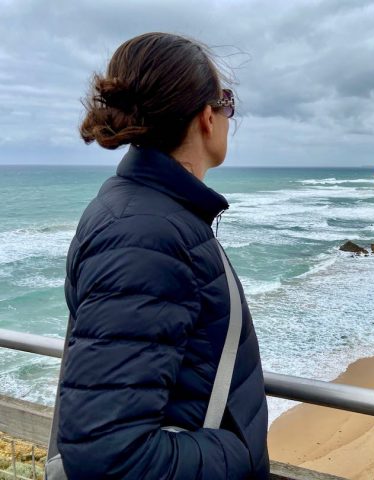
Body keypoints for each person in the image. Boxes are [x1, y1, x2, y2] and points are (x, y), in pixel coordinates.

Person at [56, 32, 269, 479]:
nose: (228, 114)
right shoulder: (145, 234)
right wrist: (239, 450)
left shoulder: (150, 213)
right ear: (206, 116)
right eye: (226, 100)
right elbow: (110, 456)